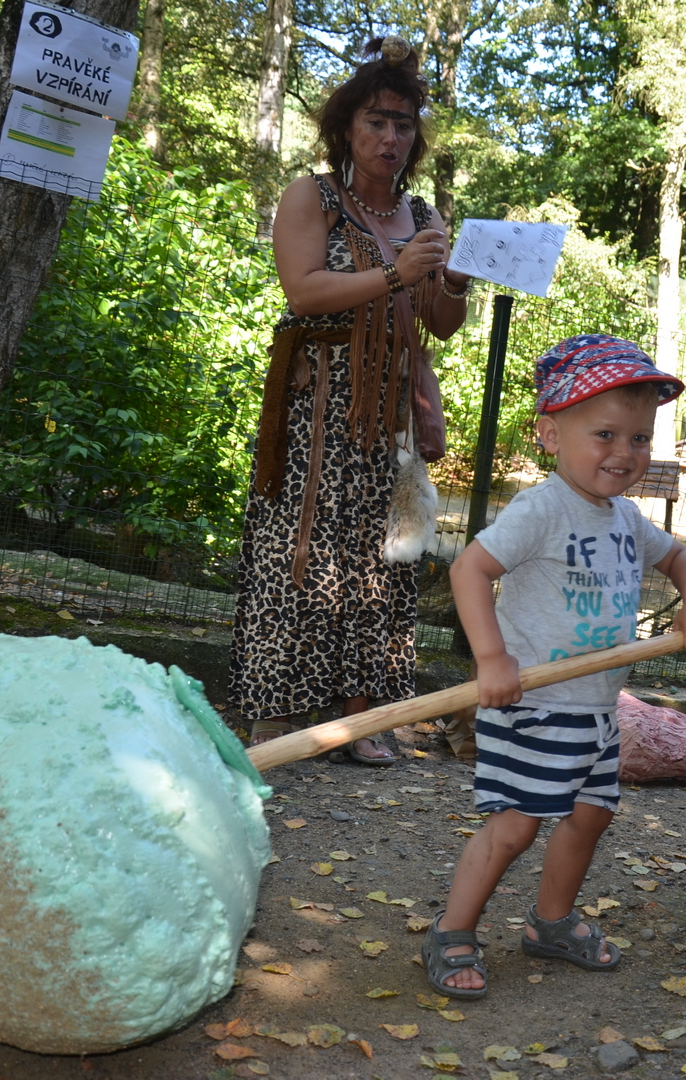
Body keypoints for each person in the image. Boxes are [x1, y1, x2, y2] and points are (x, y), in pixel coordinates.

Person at [421, 335, 686, 999]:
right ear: (550, 434)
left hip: (594, 710)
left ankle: (549, 924)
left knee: (589, 818)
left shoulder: (626, 519)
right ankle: (452, 930)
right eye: (606, 434)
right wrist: (492, 657)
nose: (624, 454)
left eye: (639, 439)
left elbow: (680, 559)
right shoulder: (542, 507)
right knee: (514, 827)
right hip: (530, 704)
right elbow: (469, 567)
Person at [230, 36, 471, 762]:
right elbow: (303, 290)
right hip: (316, 407)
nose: (390, 137)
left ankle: (360, 720)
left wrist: (451, 278)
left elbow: (440, 324)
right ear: (346, 129)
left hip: (389, 416)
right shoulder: (314, 197)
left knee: (380, 563)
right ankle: (279, 716)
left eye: (402, 126)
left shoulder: (423, 215)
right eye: (376, 122)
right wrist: (397, 274)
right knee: (302, 551)